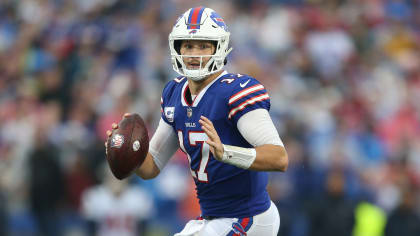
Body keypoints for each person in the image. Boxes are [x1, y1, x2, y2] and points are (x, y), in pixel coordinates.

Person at [106, 7, 288, 236]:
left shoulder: (236, 92)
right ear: (177, 48)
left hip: (249, 218)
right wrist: (124, 149)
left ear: (219, 48)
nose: (194, 54)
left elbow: (279, 158)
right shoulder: (174, 93)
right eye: (188, 45)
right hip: (212, 219)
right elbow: (151, 167)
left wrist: (227, 153)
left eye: (203, 46)